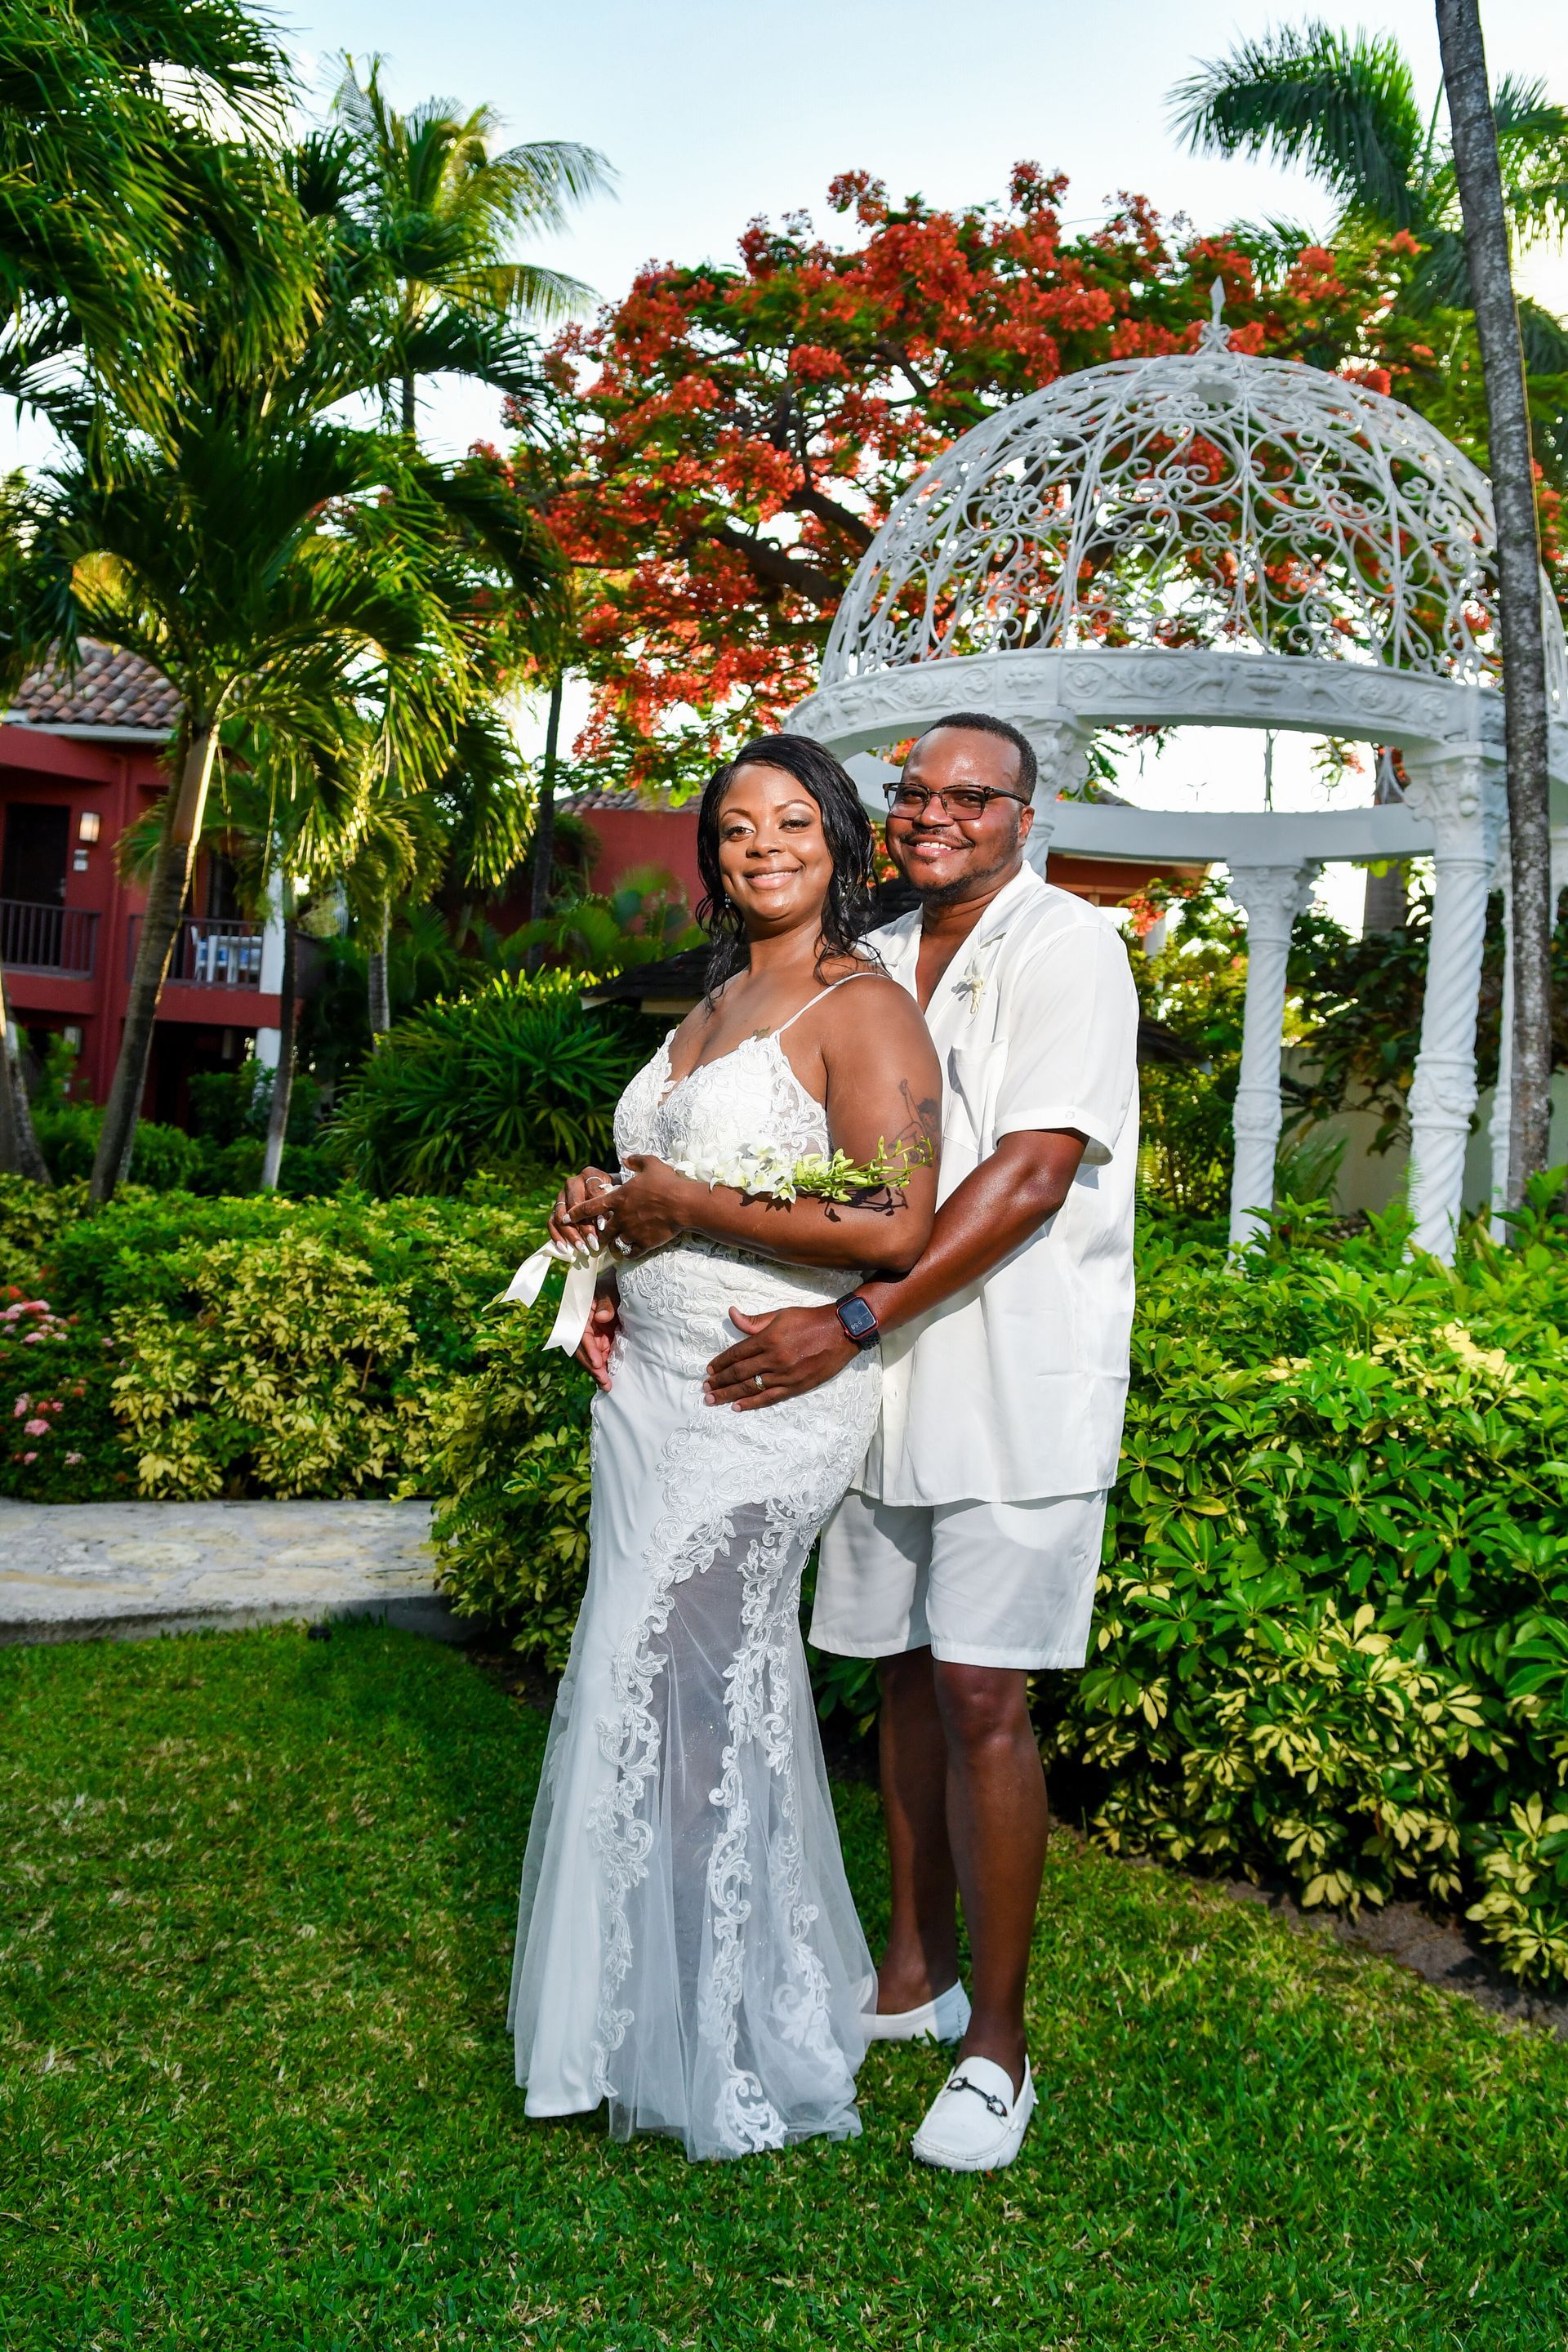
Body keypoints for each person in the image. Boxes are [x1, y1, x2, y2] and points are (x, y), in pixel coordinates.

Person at [704, 710, 1139, 2174]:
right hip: (877, 1397)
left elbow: (1028, 1175)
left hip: (1014, 1385)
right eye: (914, 794)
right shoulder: (874, 957)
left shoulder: (1067, 944)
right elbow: (788, 1162)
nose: (935, 814)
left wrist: (862, 1316)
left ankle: (997, 2050)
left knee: (980, 1697)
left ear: (1027, 812)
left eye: (973, 795)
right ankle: (908, 1975)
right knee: (895, 1675)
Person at [508, 733, 942, 2163]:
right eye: (737, 825)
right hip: (649, 1395)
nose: (764, 844)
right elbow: (660, 1183)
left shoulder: (860, 1008)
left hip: (767, 1396)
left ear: (841, 840)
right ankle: (648, 2014)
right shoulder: (711, 1004)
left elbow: (894, 1227)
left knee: (680, 1681)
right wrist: (606, 1232)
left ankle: (719, 2036)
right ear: (713, 854)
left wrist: (687, 1205)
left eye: (794, 820)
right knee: (661, 1682)